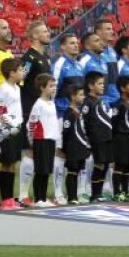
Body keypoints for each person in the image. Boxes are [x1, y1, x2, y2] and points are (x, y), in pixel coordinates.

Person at [18, 19, 51, 206]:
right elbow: (21, 78)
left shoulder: (44, 57)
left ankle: (40, 195)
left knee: (42, 151)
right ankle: (23, 194)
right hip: (30, 109)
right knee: (31, 150)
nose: (48, 34)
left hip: (43, 109)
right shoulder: (29, 57)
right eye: (44, 31)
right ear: (35, 36)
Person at [50, 33, 82, 204]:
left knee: (74, 152)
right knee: (60, 152)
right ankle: (57, 192)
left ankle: (76, 191)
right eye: (71, 43)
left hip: (76, 115)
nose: (75, 46)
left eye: (76, 43)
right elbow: (53, 90)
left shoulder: (78, 65)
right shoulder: (60, 64)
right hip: (61, 114)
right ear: (62, 47)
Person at [0, 58, 24, 209]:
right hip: (6, 130)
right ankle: (5, 199)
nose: (22, 72)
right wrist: (0, 128)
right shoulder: (4, 89)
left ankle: (10, 198)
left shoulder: (17, 88)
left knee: (12, 164)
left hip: (16, 129)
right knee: (6, 164)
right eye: (20, 70)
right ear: (11, 73)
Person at [27, 74, 59, 207]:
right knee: (41, 170)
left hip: (50, 139)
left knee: (47, 170)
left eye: (54, 86)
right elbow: (32, 123)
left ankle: (43, 198)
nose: (54, 88)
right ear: (42, 88)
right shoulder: (38, 104)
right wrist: (32, 141)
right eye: (50, 86)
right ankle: (38, 198)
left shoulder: (51, 103)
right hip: (41, 140)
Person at [83, 73, 113, 202]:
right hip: (96, 139)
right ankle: (94, 194)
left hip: (106, 137)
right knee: (99, 164)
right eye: (99, 84)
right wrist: (87, 139)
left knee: (105, 165)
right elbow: (84, 122)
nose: (103, 86)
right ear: (90, 86)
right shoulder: (88, 102)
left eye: (103, 83)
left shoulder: (101, 101)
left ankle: (99, 193)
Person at [111, 77, 129, 201]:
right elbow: (114, 122)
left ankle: (125, 191)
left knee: (128, 165)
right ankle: (117, 192)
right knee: (120, 165)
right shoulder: (119, 104)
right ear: (123, 88)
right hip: (121, 137)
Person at [61, 85, 90, 206]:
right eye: (80, 94)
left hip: (80, 146)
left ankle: (76, 195)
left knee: (77, 171)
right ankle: (71, 197)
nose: (83, 97)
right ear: (73, 97)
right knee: (72, 172)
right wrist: (66, 148)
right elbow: (66, 131)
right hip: (73, 147)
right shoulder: (69, 113)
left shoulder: (78, 112)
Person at [93, 19, 120, 104]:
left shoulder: (112, 51)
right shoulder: (94, 53)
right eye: (108, 29)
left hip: (115, 99)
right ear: (98, 32)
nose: (112, 32)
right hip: (103, 101)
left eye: (112, 29)